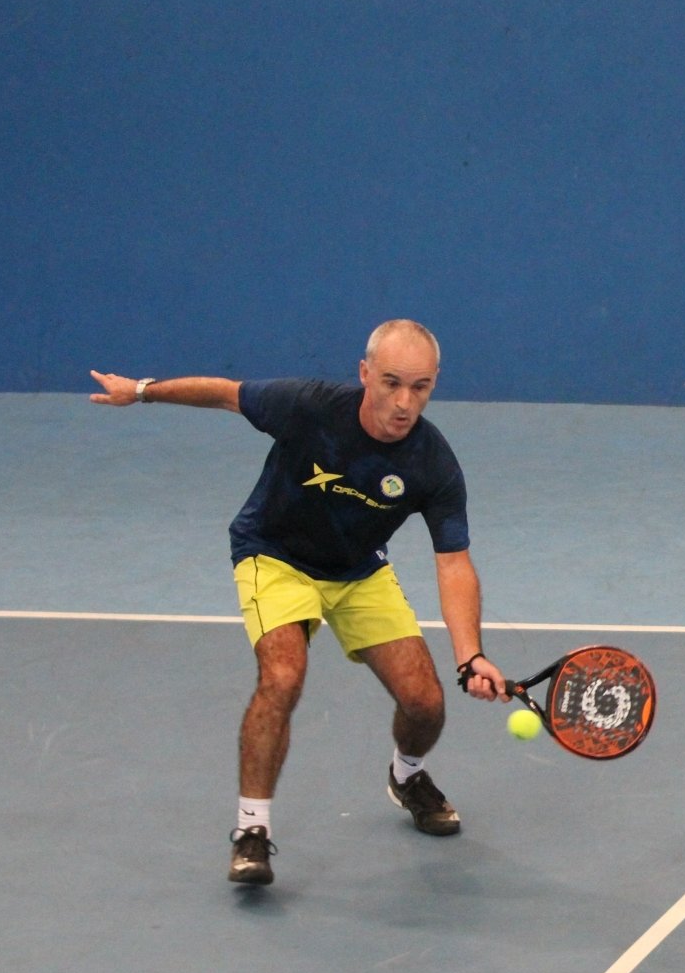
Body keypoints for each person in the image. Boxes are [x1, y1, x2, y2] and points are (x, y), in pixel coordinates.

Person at [90, 320, 511, 886]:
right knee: (283, 676)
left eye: (420, 387)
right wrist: (140, 391)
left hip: (359, 571)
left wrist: (470, 655)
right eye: (391, 383)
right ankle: (251, 831)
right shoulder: (308, 407)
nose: (404, 402)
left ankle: (407, 775)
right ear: (364, 375)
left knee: (426, 703)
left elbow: (453, 561)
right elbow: (224, 393)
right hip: (275, 555)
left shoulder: (433, 462)